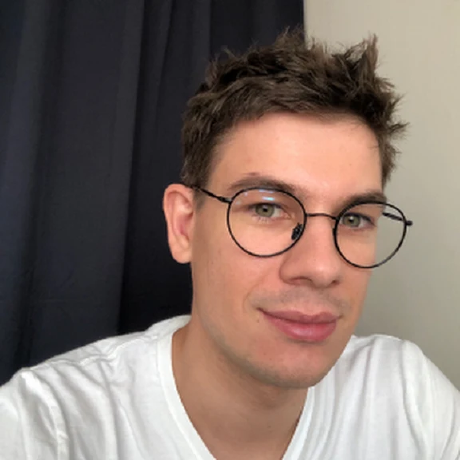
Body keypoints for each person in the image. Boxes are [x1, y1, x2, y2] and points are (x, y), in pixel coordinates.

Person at [0, 29, 459, 460]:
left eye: (354, 218)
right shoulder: (48, 427)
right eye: (267, 208)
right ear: (184, 226)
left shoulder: (407, 398)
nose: (323, 268)